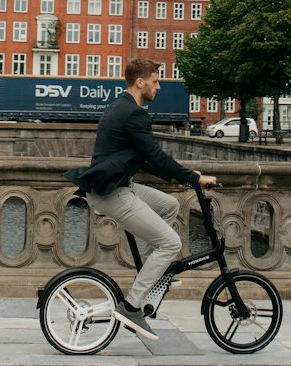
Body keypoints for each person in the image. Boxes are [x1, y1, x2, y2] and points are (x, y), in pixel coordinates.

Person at [65, 57, 217, 340]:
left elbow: (146, 160)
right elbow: (157, 156)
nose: (158, 87)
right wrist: (194, 178)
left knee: (169, 205)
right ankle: (132, 306)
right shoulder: (133, 114)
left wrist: (186, 173)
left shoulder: (120, 107)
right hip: (113, 192)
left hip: (119, 185)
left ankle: (150, 274)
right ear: (140, 82)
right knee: (171, 243)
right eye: (156, 81)